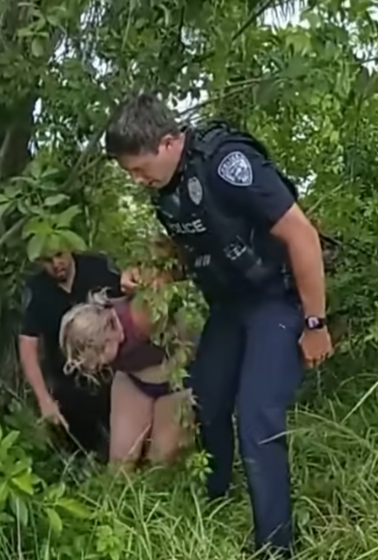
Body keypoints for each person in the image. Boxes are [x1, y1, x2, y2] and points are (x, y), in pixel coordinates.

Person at [103, 92, 333, 556]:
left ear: (168, 142)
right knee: (205, 398)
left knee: (257, 415)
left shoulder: (227, 165)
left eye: (140, 168)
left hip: (277, 300)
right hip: (230, 305)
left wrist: (315, 324)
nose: (138, 180)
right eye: (131, 173)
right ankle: (217, 497)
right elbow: (193, 255)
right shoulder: (167, 193)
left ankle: (275, 547)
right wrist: (151, 274)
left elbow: (302, 235)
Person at [57, 290, 192, 469]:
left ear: (104, 335)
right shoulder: (105, 344)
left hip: (173, 382)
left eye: (100, 354)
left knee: (160, 461)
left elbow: (182, 315)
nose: (101, 364)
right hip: (133, 381)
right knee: (121, 464)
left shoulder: (140, 318)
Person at [18, 251, 122, 460]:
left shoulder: (98, 267)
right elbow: (27, 346)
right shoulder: (37, 290)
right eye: (48, 260)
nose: (56, 263)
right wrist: (44, 400)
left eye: (59, 255)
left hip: (114, 373)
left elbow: (128, 305)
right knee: (83, 452)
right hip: (69, 382)